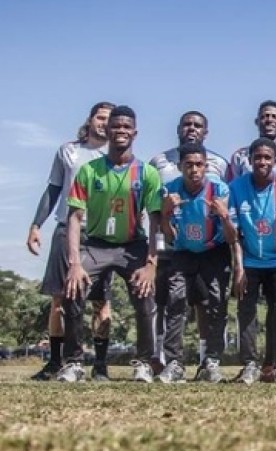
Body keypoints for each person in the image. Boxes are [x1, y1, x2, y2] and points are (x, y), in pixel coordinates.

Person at [58, 105, 162, 383]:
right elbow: (74, 218)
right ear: (107, 129)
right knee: (72, 289)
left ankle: (143, 363)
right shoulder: (89, 171)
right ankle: (74, 362)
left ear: (135, 133)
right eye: (116, 126)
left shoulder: (147, 173)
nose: (121, 131)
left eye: (127, 127)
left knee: (145, 294)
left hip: (132, 245)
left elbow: (155, 223)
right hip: (96, 245)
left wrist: (151, 264)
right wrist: (75, 263)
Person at [26, 101, 114, 381]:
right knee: (59, 299)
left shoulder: (116, 157)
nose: (104, 123)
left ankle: (99, 364)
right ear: (90, 120)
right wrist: (36, 225)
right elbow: (53, 189)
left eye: (110, 120)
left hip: (99, 235)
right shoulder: (69, 151)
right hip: (66, 231)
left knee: (100, 301)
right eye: (100, 117)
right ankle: (55, 361)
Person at [149, 110, 231, 368]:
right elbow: (161, 220)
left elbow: (227, 219)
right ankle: (166, 359)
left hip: (211, 248)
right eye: (187, 124)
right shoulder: (161, 165)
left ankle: (210, 359)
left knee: (211, 302)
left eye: (197, 125)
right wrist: (164, 217)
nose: (192, 129)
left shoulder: (220, 170)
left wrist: (225, 217)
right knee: (170, 300)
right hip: (176, 247)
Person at [228, 137, 276, 384]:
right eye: (257, 157)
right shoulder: (236, 188)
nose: (262, 162)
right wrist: (239, 268)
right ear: (249, 161)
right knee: (246, 312)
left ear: (275, 160)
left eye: (267, 157)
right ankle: (249, 364)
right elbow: (235, 233)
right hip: (249, 261)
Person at [226, 100, 276, 181]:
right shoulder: (240, 156)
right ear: (257, 122)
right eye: (265, 116)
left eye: (275, 117)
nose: (269, 120)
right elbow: (233, 189)